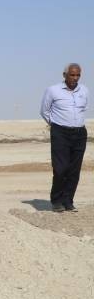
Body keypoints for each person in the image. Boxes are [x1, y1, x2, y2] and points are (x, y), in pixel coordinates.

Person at [40, 63, 88, 212]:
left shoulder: (84, 90)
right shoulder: (53, 90)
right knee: (60, 169)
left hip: (80, 133)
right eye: (72, 75)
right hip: (60, 133)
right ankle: (56, 201)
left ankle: (68, 201)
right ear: (64, 75)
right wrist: (56, 125)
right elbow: (44, 111)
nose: (75, 78)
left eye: (78, 75)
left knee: (74, 170)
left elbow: (83, 109)